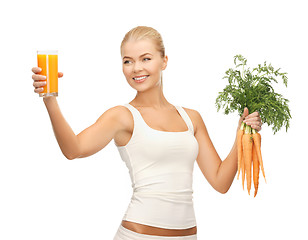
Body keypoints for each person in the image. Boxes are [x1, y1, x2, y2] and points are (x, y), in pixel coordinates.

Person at [32, 26, 262, 240]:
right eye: (127, 61)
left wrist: (242, 134)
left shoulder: (191, 118)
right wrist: (49, 100)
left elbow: (221, 182)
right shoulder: (122, 116)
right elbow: (73, 150)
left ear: (164, 61)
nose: (136, 68)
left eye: (146, 59)